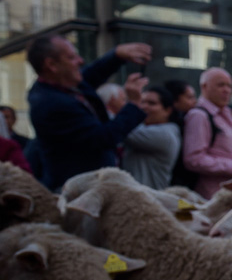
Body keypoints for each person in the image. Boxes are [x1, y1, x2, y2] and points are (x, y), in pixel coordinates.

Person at [25, 34, 151, 190]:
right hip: (80, 193)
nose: (80, 61)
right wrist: (133, 105)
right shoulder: (51, 103)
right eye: (71, 57)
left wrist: (117, 55)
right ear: (51, 65)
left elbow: (91, 75)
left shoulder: (60, 85)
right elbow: (103, 138)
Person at [181, 67, 232, 198]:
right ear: (204, 87)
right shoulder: (199, 116)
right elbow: (193, 159)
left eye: (229, 86)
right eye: (220, 85)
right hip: (214, 197)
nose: (227, 90)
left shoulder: (224, 115)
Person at [121, 85, 181, 189]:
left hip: (147, 199)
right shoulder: (145, 127)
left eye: (151, 103)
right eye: (142, 102)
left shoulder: (164, 134)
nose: (144, 107)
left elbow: (121, 130)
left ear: (167, 110)